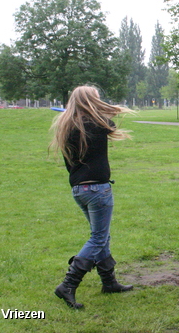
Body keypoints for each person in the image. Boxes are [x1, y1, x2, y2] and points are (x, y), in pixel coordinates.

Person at [49, 85, 135, 309]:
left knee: (101, 238)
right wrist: (99, 111)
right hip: (97, 190)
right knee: (98, 238)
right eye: (97, 98)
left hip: (80, 190)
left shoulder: (67, 126)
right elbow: (112, 124)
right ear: (90, 102)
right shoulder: (95, 124)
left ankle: (109, 283)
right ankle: (68, 285)